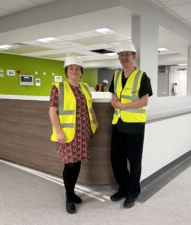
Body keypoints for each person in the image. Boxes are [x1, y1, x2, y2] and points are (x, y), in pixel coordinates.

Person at [49, 56, 98, 214]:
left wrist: (95, 122)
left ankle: (72, 192)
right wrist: (58, 131)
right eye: (71, 68)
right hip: (67, 133)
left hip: (83, 132)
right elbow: (52, 111)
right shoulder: (58, 87)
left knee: (76, 163)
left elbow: (90, 108)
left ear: (81, 72)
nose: (74, 71)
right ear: (66, 71)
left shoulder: (85, 87)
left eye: (77, 68)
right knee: (69, 164)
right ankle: (69, 196)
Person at [109, 40, 153, 208]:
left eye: (126, 54)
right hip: (118, 123)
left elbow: (144, 101)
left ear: (133, 56)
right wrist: (114, 100)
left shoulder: (142, 76)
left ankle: (132, 192)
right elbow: (114, 94)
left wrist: (123, 105)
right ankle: (123, 187)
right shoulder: (116, 75)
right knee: (116, 158)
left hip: (135, 125)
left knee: (134, 160)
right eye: (120, 55)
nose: (123, 58)